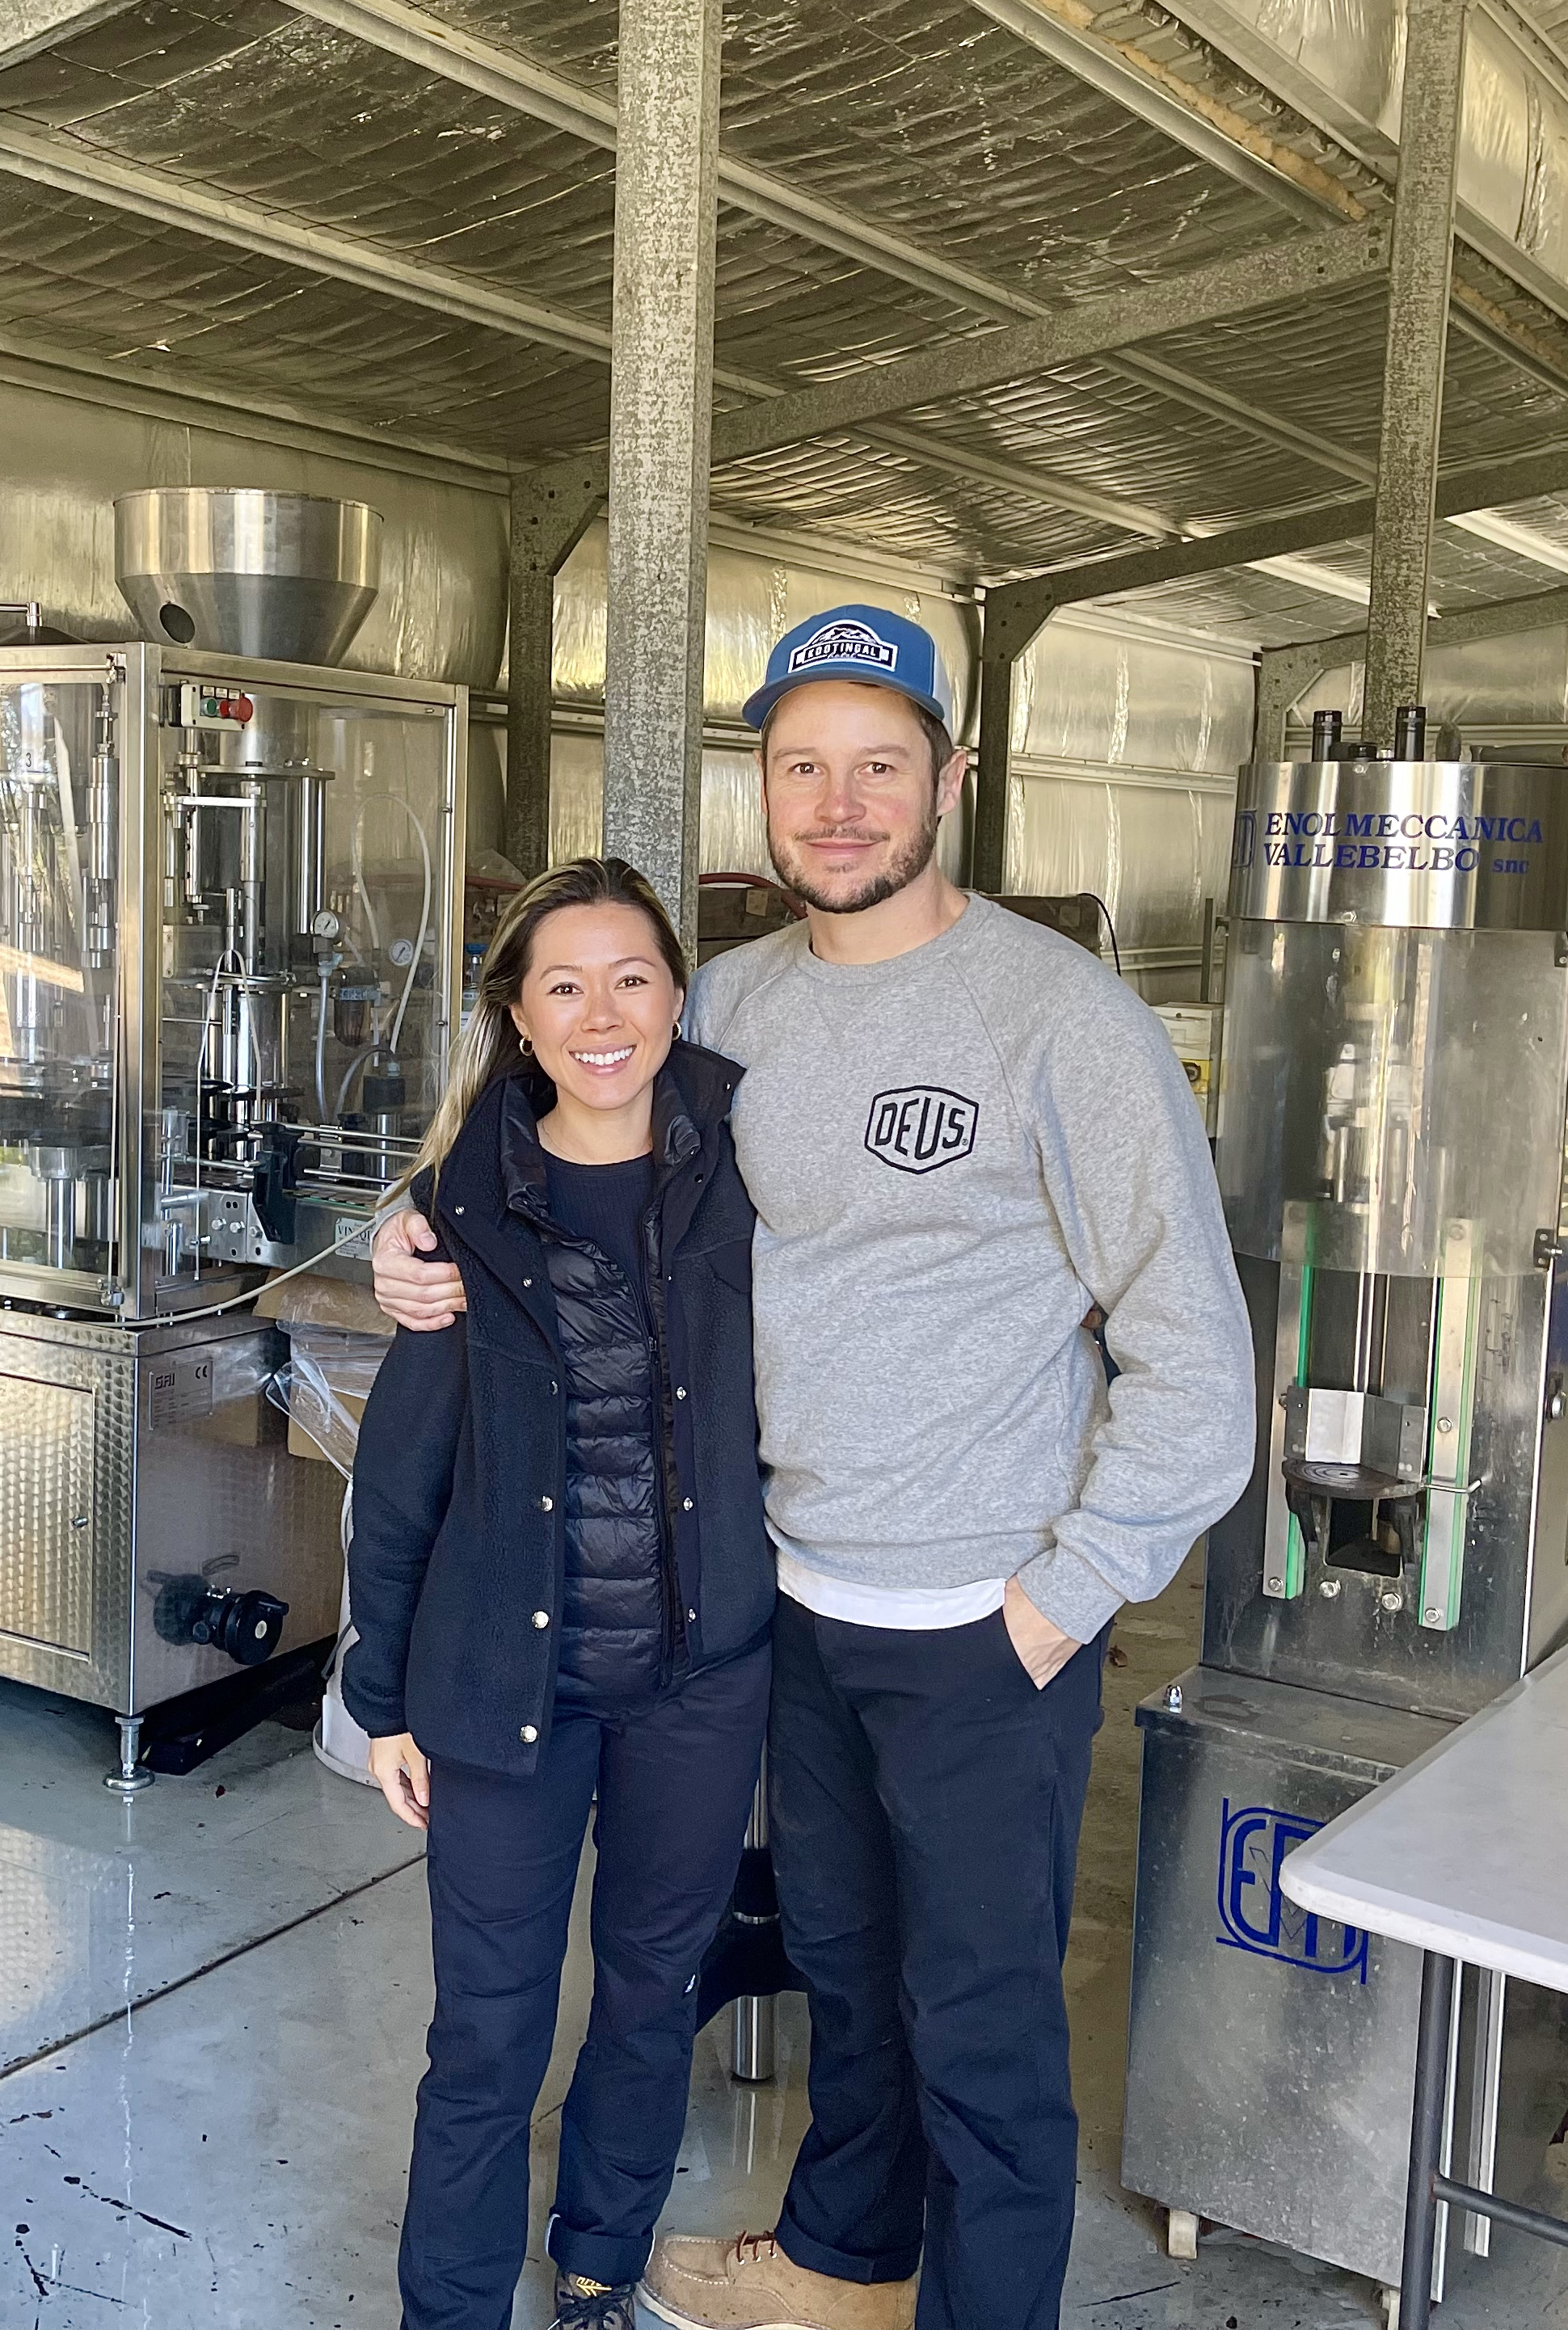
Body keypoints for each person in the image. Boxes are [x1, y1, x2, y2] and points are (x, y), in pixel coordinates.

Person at [373, 607, 1252, 2330]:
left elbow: (1199, 1366)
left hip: (985, 1622)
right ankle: (847, 2263)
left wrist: (1063, 1599)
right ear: (761, 790)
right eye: (800, 768)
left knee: (986, 2026)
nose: (837, 806)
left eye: (878, 767)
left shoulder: (1057, 1019)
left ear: (952, 782)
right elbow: (540, 1141)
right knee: (847, 1978)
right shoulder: (734, 1011)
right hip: (780, 1605)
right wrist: (402, 1246)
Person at [344, 856, 781, 2330]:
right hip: (498, 1691)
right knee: (488, 2033)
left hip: (698, 1684)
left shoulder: (749, 1166)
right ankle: (452, 2307)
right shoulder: (458, 1211)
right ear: (518, 1018)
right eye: (565, 986)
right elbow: (403, 1477)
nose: (604, 1015)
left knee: (652, 1997)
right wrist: (380, 1696)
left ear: (679, 995)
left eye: (635, 978)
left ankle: (599, 2261)